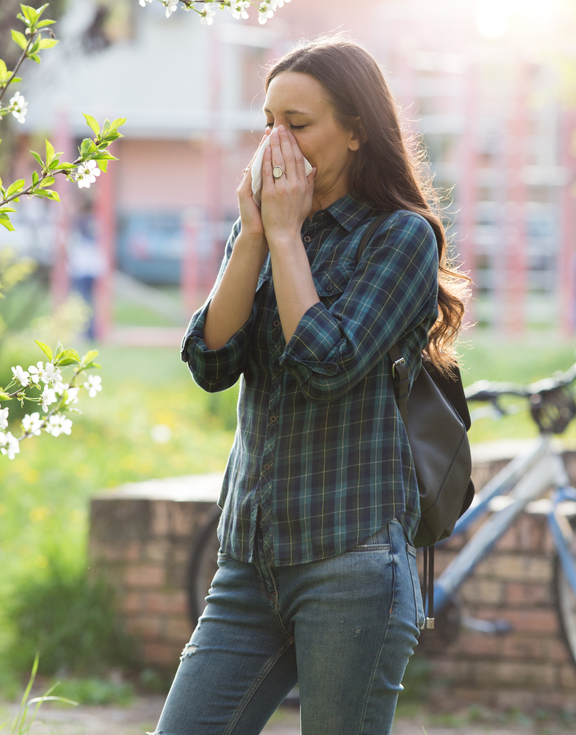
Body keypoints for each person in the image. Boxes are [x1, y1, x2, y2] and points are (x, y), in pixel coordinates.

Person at [152, 36, 469, 735]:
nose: (276, 143)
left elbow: (329, 365)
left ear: (356, 132)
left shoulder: (400, 238)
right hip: (248, 561)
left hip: (351, 561)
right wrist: (255, 238)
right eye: (268, 122)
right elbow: (210, 364)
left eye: (297, 124)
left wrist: (286, 239)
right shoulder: (263, 231)